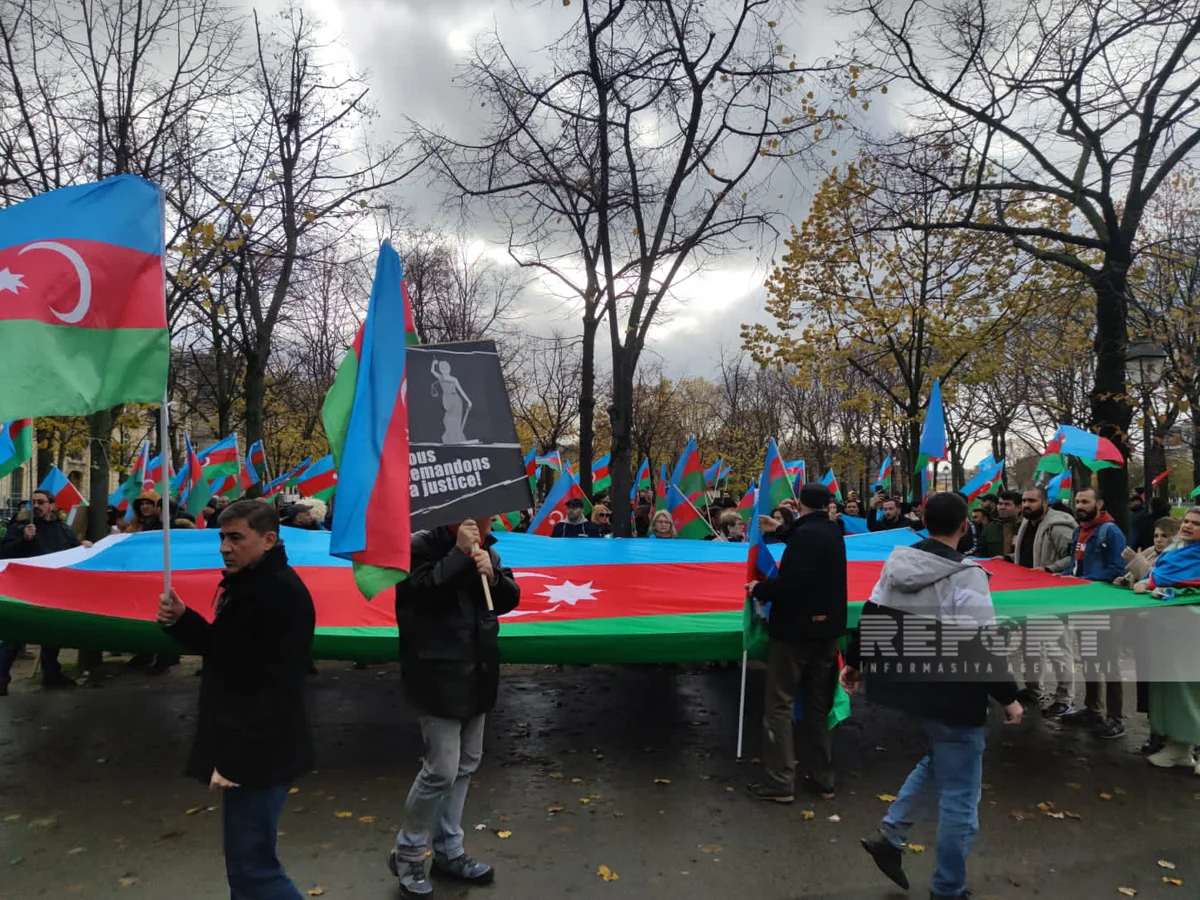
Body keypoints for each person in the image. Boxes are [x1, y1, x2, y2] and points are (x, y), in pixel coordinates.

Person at [844, 492, 1022, 900]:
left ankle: (891, 835)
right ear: (965, 526)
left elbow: (872, 615)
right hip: (954, 695)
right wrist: (1009, 696)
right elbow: (981, 643)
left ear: (923, 522)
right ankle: (948, 888)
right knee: (961, 798)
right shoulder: (967, 574)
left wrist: (854, 662)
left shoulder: (898, 562)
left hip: (912, 689)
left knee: (940, 759)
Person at [155, 499, 315, 900]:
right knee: (245, 872)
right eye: (222, 537)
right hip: (248, 747)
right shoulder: (249, 584)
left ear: (268, 540)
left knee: (254, 871)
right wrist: (184, 620)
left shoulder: (281, 594)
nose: (225, 547)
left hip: (261, 754)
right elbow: (227, 653)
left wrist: (237, 759)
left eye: (236, 538)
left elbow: (280, 688)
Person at [389, 517, 520, 898]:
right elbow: (421, 596)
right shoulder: (419, 546)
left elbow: (508, 599)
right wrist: (459, 555)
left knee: (465, 765)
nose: (490, 518)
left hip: (478, 672)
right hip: (438, 675)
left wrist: (493, 576)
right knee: (441, 771)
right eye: (484, 512)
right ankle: (408, 853)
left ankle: (449, 849)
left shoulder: (488, 549)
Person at [745, 484, 848, 803]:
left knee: (779, 705)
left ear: (800, 503)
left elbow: (794, 583)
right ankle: (823, 779)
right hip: (827, 633)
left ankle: (780, 782)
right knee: (818, 706)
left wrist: (759, 589)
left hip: (795, 634)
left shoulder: (805, 536)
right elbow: (807, 542)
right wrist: (781, 529)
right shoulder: (832, 531)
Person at [0, 490, 93, 693]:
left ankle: (51, 674)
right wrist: (24, 539)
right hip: (24, 591)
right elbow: (4, 553)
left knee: (52, 633)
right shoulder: (20, 527)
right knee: (15, 635)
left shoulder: (62, 529)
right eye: (33, 502)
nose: (36, 506)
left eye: (41, 502)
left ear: (51, 505)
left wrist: (83, 546)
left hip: (53, 591)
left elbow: (71, 551)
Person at [1132, 508, 1200, 771]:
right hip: (1169, 628)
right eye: (1187, 521)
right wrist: (1150, 582)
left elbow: (1174, 580)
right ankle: (1178, 747)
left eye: (1196, 524)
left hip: (1191, 628)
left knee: (1191, 689)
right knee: (1171, 688)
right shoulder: (1176, 550)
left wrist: (1154, 583)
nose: (1188, 526)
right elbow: (1158, 575)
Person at [1060, 488, 1128, 739]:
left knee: (1109, 661)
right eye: (1078, 501)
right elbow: (1075, 566)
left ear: (1099, 504)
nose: (1080, 506)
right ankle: (1092, 708)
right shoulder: (1079, 531)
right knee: (1088, 658)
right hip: (1083, 606)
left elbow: (1118, 569)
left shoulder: (1110, 532)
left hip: (1105, 607)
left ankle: (1116, 718)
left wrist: (1083, 580)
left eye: (1085, 502)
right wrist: (1061, 577)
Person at [1116, 516, 1180, 756]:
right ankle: (1155, 733)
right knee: (1147, 685)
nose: (1159, 540)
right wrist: (1125, 581)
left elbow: (1155, 579)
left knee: (1165, 685)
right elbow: (1138, 581)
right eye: (1156, 535)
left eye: (1165, 536)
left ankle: (1173, 738)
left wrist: (1135, 561)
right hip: (1143, 627)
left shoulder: (1176, 558)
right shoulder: (1151, 552)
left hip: (1166, 631)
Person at [1013, 487, 1078, 714]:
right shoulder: (1027, 524)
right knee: (1031, 646)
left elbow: (1072, 558)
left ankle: (1065, 699)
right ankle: (1033, 689)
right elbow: (1029, 556)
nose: (1026, 504)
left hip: (1052, 596)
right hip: (1028, 595)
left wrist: (1049, 569)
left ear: (1045, 503)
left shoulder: (1058, 527)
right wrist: (1007, 559)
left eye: (1032, 500)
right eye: (1024, 500)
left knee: (1058, 648)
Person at [977, 490, 1022, 560]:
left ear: (1019, 508)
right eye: (1000, 504)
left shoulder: (1027, 527)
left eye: (1007, 504)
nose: (1002, 507)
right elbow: (980, 553)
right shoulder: (989, 528)